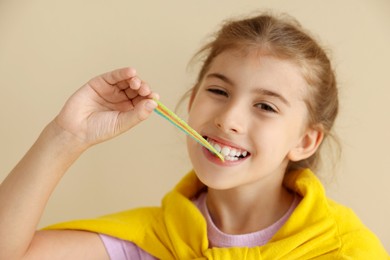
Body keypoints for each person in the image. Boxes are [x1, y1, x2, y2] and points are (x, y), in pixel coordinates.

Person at [0, 12, 388, 260]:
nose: (229, 119)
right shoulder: (151, 240)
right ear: (192, 100)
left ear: (305, 141)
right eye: (218, 92)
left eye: (266, 106)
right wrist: (65, 137)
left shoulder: (346, 251)